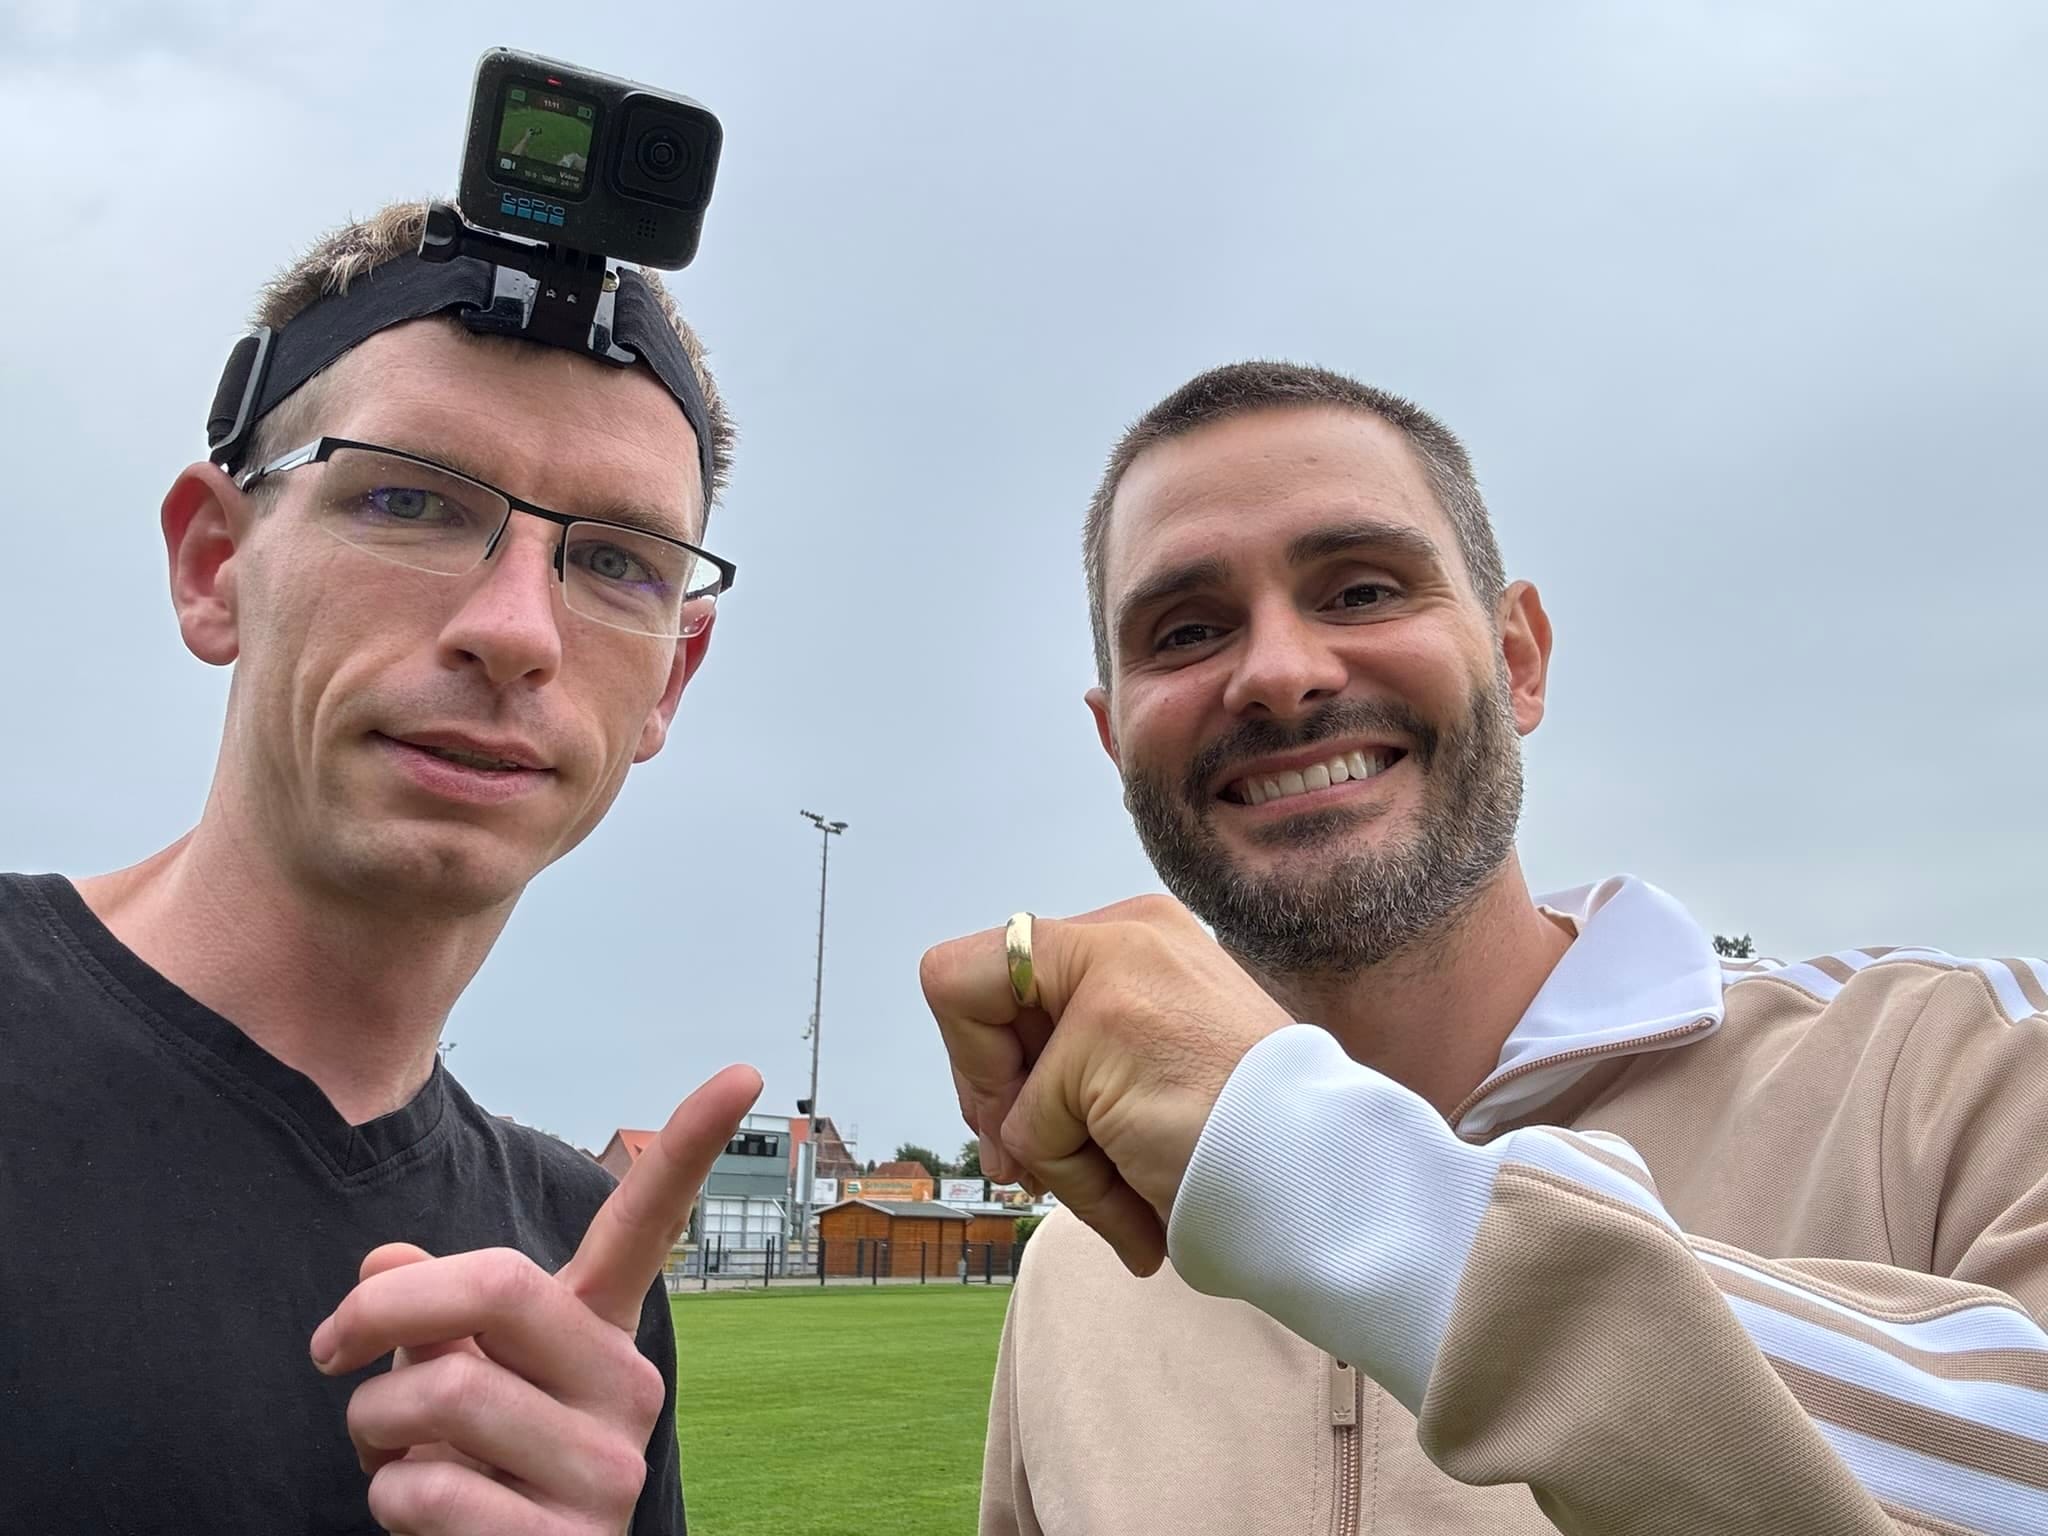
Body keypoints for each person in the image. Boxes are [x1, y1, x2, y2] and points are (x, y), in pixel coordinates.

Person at [920, 361, 2048, 1535]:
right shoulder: (1083, 1261)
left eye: (1358, 591)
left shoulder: (1946, 1078)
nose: (1278, 673)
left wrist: (1324, 1177)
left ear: (1517, 659)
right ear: (1114, 742)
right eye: (1186, 631)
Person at [0, 200, 763, 1535]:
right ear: (215, 564)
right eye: (408, 499)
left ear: (672, 683)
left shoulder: (583, 1262)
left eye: (619, 564)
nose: (516, 630)